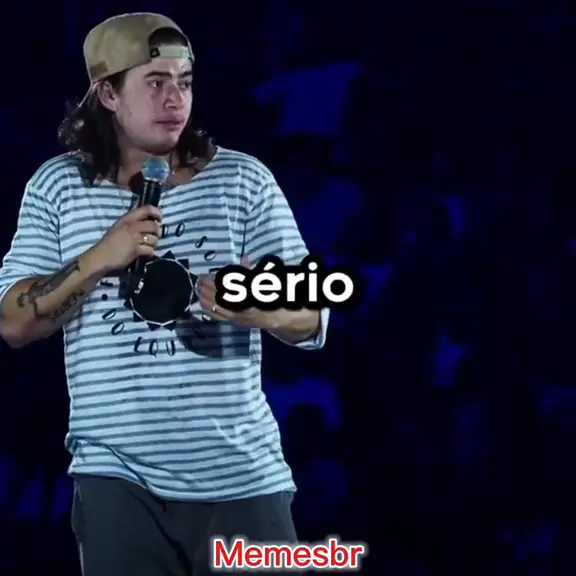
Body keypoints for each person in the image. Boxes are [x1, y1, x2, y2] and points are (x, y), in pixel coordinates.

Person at [0, 13, 328, 576]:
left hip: (239, 473)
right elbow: (12, 322)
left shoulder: (243, 180)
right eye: (155, 82)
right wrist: (97, 259)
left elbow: (313, 318)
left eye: (185, 82)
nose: (175, 99)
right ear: (108, 94)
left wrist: (261, 309)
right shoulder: (57, 186)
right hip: (116, 475)